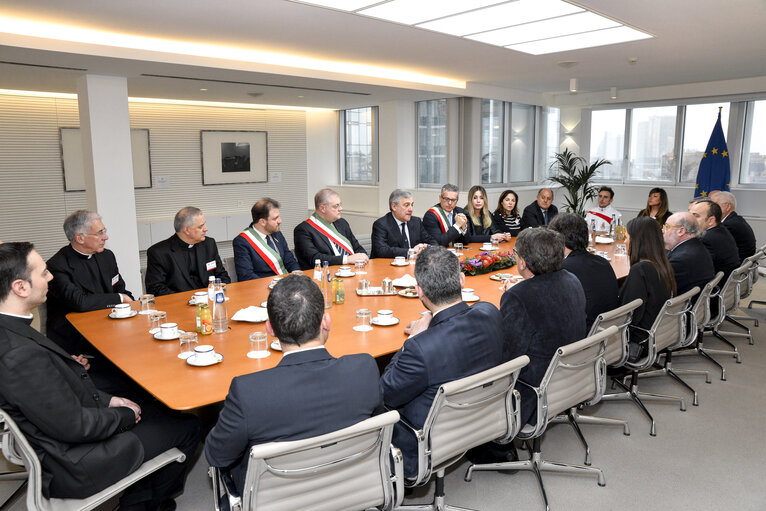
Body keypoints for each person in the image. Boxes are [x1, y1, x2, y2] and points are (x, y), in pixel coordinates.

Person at [0, 242, 200, 510]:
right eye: (44, 272)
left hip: (69, 428)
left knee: (153, 405)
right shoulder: (18, 354)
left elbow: (55, 391)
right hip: (77, 462)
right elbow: (75, 426)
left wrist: (108, 401)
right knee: (188, 425)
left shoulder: (13, 327)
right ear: (20, 287)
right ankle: (144, 505)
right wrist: (127, 415)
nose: (51, 277)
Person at [205, 274, 384, 495]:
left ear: (270, 329)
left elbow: (217, 455)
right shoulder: (364, 368)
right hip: (354, 486)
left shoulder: (249, 393)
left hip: (279, 498)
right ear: (325, 321)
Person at [380, 246, 506, 478]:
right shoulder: (490, 312)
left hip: (424, 441)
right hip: (483, 420)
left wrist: (413, 339)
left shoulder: (419, 348)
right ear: (462, 280)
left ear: (419, 291)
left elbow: (385, 393)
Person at [500, 227, 586, 428]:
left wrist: (520, 290)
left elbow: (507, 358)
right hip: (569, 378)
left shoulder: (518, 297)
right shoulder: (572, 280)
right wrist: (524, 285)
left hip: (531, 392)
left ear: (522, 262)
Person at [45, 210, 136, 392]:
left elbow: (120, 288)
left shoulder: (106, 256)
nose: (106, 237)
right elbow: (81, 302)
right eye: (100, 233)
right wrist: (120, 299)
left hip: (111, 329)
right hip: (77, 340)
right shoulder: (57, 265)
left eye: (104, 231)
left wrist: (127, 299)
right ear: (80, 238)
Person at [619, 217, 676, 362]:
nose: (625, 241)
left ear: (637, 241)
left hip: (638, 343)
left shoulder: (641, 269)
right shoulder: (662, 265)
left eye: (627, 237)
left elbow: (629, 315)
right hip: (657, 335)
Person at [549, 213, 618, 331]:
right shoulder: (603, 262)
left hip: (581, 339)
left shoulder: (563, 270)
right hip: (605, 334)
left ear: (558, 239)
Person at [145, 206, 231, 296]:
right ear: (186, 230)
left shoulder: (209, 244)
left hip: (210, 300)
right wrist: (189, 299)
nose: (206, 229)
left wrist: (218, 289)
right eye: (201, 227)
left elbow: (222, 275)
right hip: (178, 305)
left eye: (204, 224)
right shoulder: (159, 252)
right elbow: (155, 289)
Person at [293, 188, 368, 270]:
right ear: (322, 208)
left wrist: (363, 255)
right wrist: (347, 259)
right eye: (336, 206)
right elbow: (315, 258)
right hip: (324, 275)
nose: (340, 209)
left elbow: (356, 246)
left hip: (352, 270)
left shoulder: (342, 223)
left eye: (340, 204)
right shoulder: (303, 230)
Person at [233, 198, 300, 281]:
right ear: (262, 222)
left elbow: (288, 258)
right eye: (275, 218)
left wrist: (296, 272)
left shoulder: (277, 233)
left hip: (285, 285)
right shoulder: (242, 241)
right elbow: (246, 275)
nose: (280, 221)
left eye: (279, 217)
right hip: (262, 288)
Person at [370, 189, 435, 258]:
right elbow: (381, 250)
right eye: (406, 205)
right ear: (394, 206)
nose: (411, 209)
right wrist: (411, 252)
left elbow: (431, 241)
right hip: (387, 266)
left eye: (412, 205)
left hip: (413, 265)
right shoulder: (381, 225)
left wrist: (428, 247)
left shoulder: (416, 222)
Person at [663, 212, 714, 296]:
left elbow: (655, 288)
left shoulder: (680, 259)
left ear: (681, 231)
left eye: (667, 226)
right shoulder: (696, 246)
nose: (663, 230)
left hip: (682, 306)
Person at [688, 198, 740, 281]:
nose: (689, 220)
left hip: (716, 286)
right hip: (728, 281)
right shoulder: (720, 229)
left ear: (711, 220)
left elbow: (697, 270)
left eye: (696, 216)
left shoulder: (706, 239)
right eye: (690, 215)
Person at [710, 191, 756, 263]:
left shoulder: (729, 225)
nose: (711, 209)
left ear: (728, 206)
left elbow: (715, 249)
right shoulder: (735, 219)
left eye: (715, 205)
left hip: (735, 265)